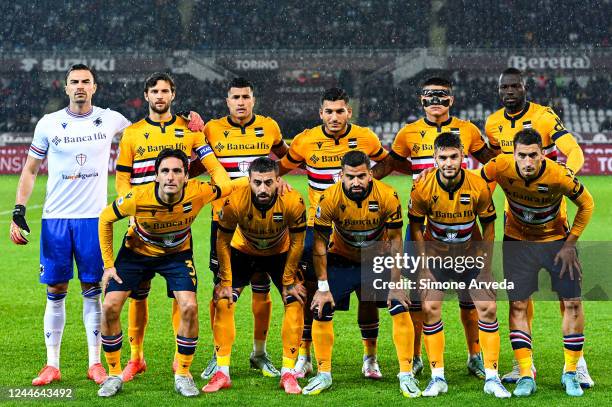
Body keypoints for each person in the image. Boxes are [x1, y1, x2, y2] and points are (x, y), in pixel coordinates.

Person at [10, 64, 131, 386]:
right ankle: (52, 364)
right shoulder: (49, 124)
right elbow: (30, 169)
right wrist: (19, 210)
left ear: (95, 87)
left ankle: (95, 363)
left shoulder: (110, 119)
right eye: (74, 82)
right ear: (65, 88)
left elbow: (145, 135)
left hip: (94, 219)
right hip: (55, 220)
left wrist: (184, 125)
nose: (80, 86)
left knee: (93, 292)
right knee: (56, 290)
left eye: (85, 82)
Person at [377, 77, 497, 377]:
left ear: (451, 100)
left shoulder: (468, 130)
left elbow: (492, 164)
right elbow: (393, 164)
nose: (436, 101)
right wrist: (362, 179)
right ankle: (418, 356)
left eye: (442, 96)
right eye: (430, 96)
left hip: (461, 221)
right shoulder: (408, 133)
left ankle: (475, 355)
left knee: (470, 294)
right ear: (421, 100)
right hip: (423, 223)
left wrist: (489, 189)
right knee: (421, 293)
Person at [114, 72, 230, 381]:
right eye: (155, 91)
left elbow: (214, 167)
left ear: (173, 94)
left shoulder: (190, 130)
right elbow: (122, 178)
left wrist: (203, 132)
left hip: (178, 230)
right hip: (141, 227)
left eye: (165, 90)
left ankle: (181, 364)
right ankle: (136, 358)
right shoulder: (133, 134)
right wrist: (131, 204)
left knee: (181, 295)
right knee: (137, 295)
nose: (160, 96)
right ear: (147, 95)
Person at [484, 68, 592, 387]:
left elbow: (574, 151)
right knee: (520, 297)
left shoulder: (544, 117)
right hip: (513, 219)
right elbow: (493, 170)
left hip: (552, 220)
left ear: (525, 88)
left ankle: (578, 363)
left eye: (516, 86)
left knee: (567, 296)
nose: (510, 91)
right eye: (505, 87)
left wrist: (561, 178)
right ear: (499, 89)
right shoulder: (492, 123)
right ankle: (523, 366)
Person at [278, 87, 394, 379]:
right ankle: (304, 356)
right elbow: (280, 167)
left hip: (361, 226)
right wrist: (279, 182)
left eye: (339, 111)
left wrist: (369, 183)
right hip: (319, 230)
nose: (334, 116)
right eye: (328, 111)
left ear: (348, 112)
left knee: (368, 296)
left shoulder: (365, 137)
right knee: (309, 295)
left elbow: (388, 161)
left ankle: (370, 358)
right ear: (321, 113)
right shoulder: (305, 140)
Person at [96, 148, 229, 397]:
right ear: (156, 176)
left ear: (186, 176)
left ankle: (183, 373)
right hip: (135, 252)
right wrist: (109, 265)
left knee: (189, 306)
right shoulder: (137, 197)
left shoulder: (198, 191)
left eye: (177, 171)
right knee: (110, 305)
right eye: (165, 171)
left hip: (176, 255)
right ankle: (114, 374)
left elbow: (225, 183)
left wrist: (204, 150)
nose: (170, 177)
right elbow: (105, 219)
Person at [191, 77, 290, 379]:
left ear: (253, 99)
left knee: (261, 287)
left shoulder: (269, 127)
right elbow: (199, 164)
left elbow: (285, 156)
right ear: (227, 101)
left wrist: (276, 178)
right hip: (224, 221)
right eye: (236, 97)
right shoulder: (211, 129)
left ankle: (259, 353)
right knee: (223, 289)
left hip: (263, 222)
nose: (241, 102)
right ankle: (218, 352)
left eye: (246, 96)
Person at [303, 150, 420, 397]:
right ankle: (324, 373)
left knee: (399, 305)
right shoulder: (328, 198)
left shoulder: (388, 195)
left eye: (361, 176)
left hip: (377, 257)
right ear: (340, 176)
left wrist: (396, 283)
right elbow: (320, 244)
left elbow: (397, 241)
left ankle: (401, 372)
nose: (356, 182)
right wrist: (323, 288)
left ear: (370, 175)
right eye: (350, 177)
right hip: (341, 257)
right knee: (322, 308)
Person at [408, 133, 510, 398]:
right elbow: (416, 228)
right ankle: (437, 377)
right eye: (443, 157)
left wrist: (486, 268)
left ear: (463, 157)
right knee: (430, 307)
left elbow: (489, 226)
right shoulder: (422, 187)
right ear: (435, 159)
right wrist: (423, 268)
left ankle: (492, 377)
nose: (449, 162)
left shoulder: (478, 186)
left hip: (469, 254)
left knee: (487, 306)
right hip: (436, 256)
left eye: (454, 157)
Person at [202, 157, 306, 394]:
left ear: (278, 180)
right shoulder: (234, 201)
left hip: (279, 253)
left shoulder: (292, 200)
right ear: (248, 181)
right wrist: (226, 281)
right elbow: (222, 242)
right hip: (243, 251)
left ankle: (288, 372)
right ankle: (222, 371)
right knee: (222, 300)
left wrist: (289, 280)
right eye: (257, 182)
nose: (262, 188)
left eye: (269, 182)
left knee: (296, 301)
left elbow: (298, 242)